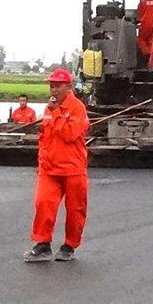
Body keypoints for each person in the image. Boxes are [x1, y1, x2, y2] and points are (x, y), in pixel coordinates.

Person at [26, 68, 89, 263]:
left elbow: (70, 134)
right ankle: (42, 244)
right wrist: (42, 162)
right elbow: (45, 137)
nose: (53, 90)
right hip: (49, 169)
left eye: (57, 86)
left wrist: (57, 114)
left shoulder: (78, 108)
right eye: (51, 86)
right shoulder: (49, 108)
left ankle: (69, 245)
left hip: (73, 169)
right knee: (43, 204)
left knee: (76, 210)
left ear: (68, 87)